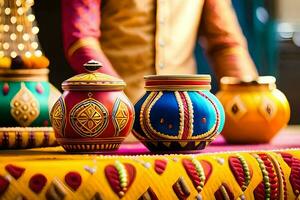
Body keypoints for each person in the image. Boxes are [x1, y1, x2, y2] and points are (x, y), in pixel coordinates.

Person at [61, 0, 258, 103]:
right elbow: (81, 40)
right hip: (114, 121)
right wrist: (115, 100)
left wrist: (252, 101)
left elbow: (225, 44)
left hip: (187, 121)